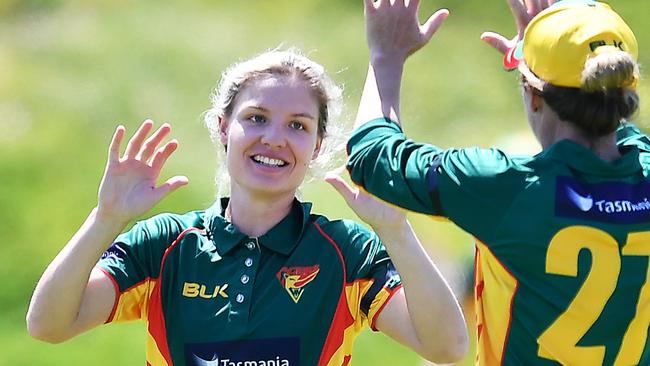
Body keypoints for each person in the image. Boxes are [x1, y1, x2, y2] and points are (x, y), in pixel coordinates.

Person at [26, 49, 468, 365]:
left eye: (297, 125)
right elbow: (48, 325)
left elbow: (446, 349)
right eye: (256, 117)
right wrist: (105, 219)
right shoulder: (164, 246)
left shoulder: (345, 252)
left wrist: (396, 230)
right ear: (223, 128)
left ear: (316, 147)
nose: (274, 138)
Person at [347, 0, 649, 365]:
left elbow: (372, 157)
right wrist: (545, 55)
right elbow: (624, 138)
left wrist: (386, 56)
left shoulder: (505, 187)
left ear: (534, 97)